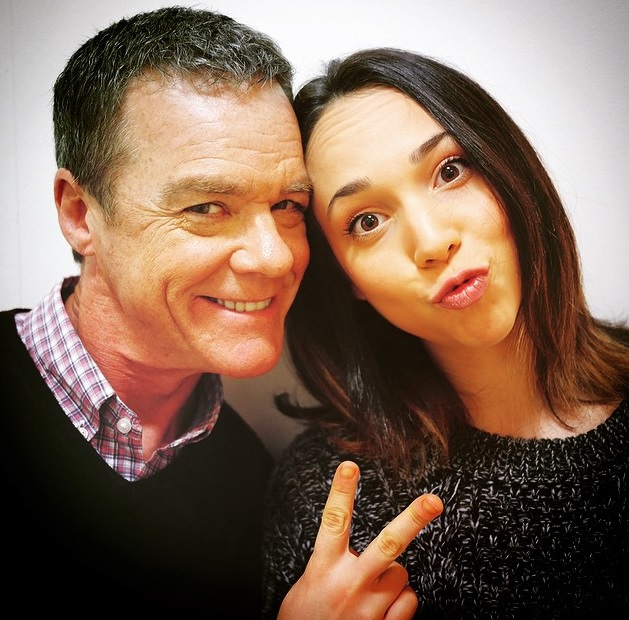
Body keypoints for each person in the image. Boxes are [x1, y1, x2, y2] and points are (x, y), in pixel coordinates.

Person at [1, 10, 444, 618]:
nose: (276, 256)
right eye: (208, 207)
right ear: (81, 214)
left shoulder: (248, 473)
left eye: (288, 205)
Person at [262, 47, 629, 619]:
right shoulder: (334, 502)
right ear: (347, 279)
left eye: (449, 171)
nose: (433, 242)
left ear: (507, 169)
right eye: (367, 221)